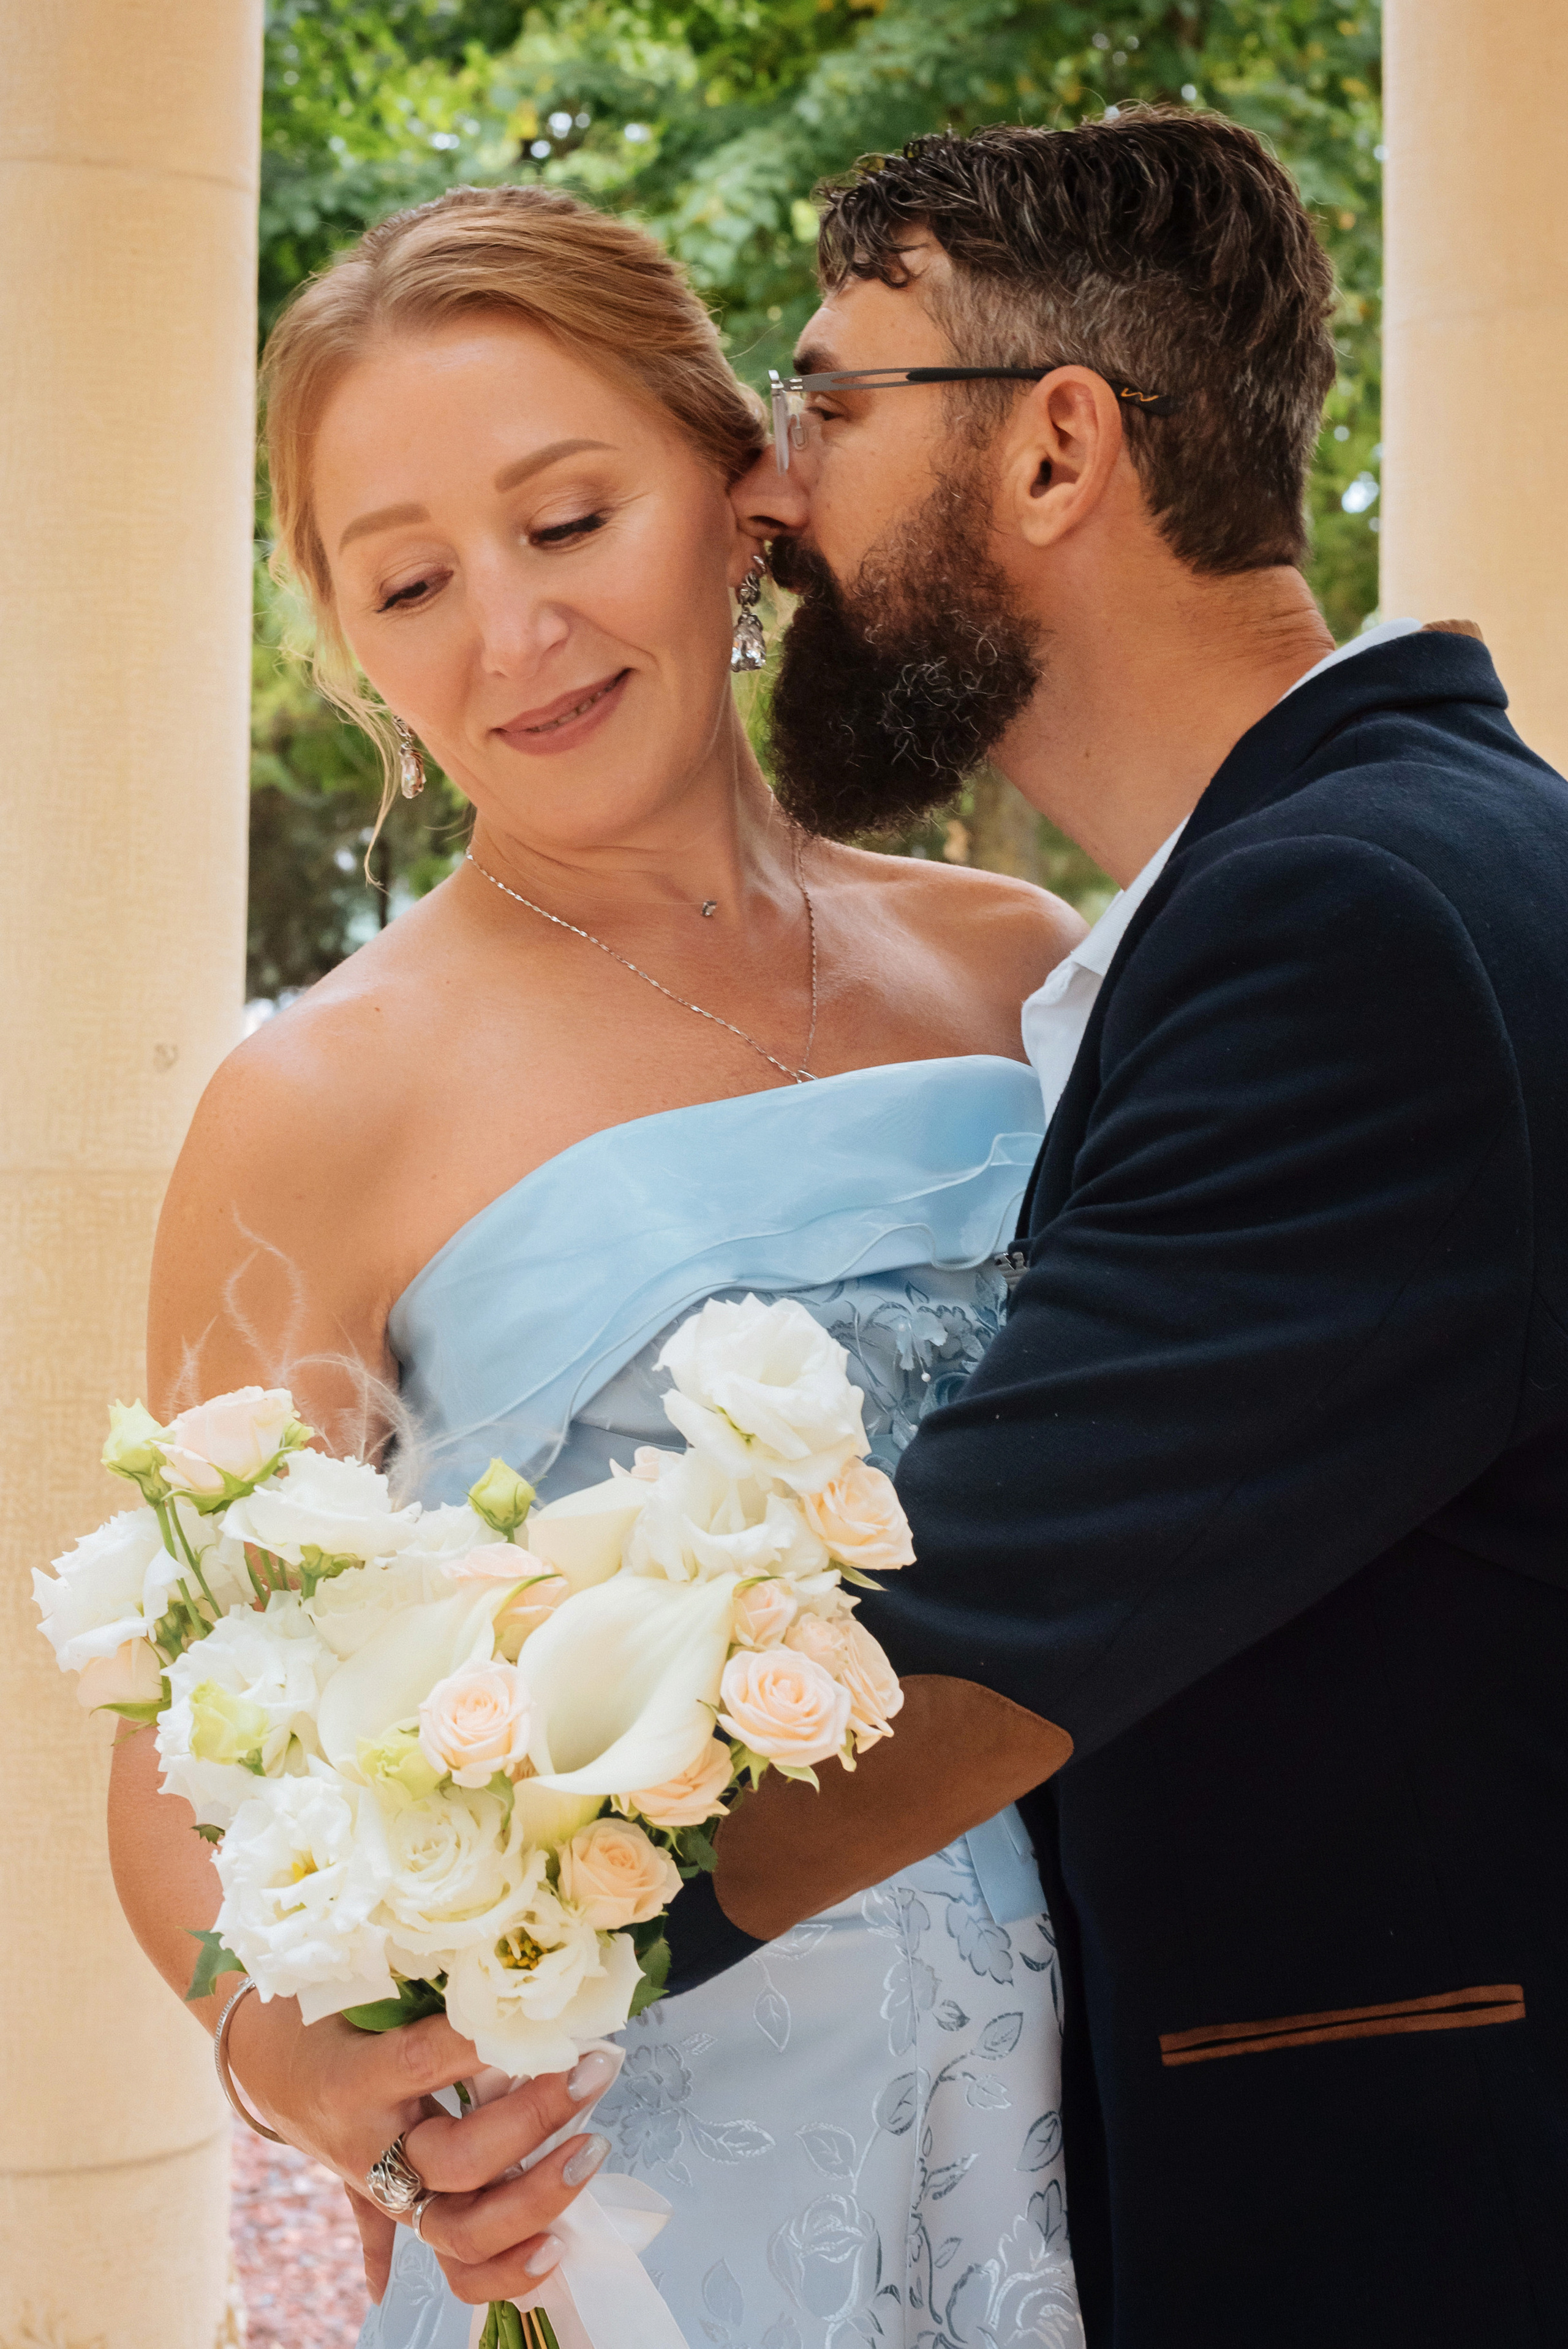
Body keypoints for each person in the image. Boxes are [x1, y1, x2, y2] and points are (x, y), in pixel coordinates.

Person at [105, 185, 1090, 2347]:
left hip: (1107, 2112)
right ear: (348, 635)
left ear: (738, 489)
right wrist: (300, 2062)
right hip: (644, 2209)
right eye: (413, 582)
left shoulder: (1021, 969)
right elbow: (191, 1749)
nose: (513, 635)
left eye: (568, 520)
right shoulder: (322, 1099)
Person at [677, 112, 1568, 2347]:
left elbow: (948, 1662)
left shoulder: (1349, 925)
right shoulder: (1381, 861)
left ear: (1058, 447)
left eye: (831, 397)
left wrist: (428, 1955)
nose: (770, 490)